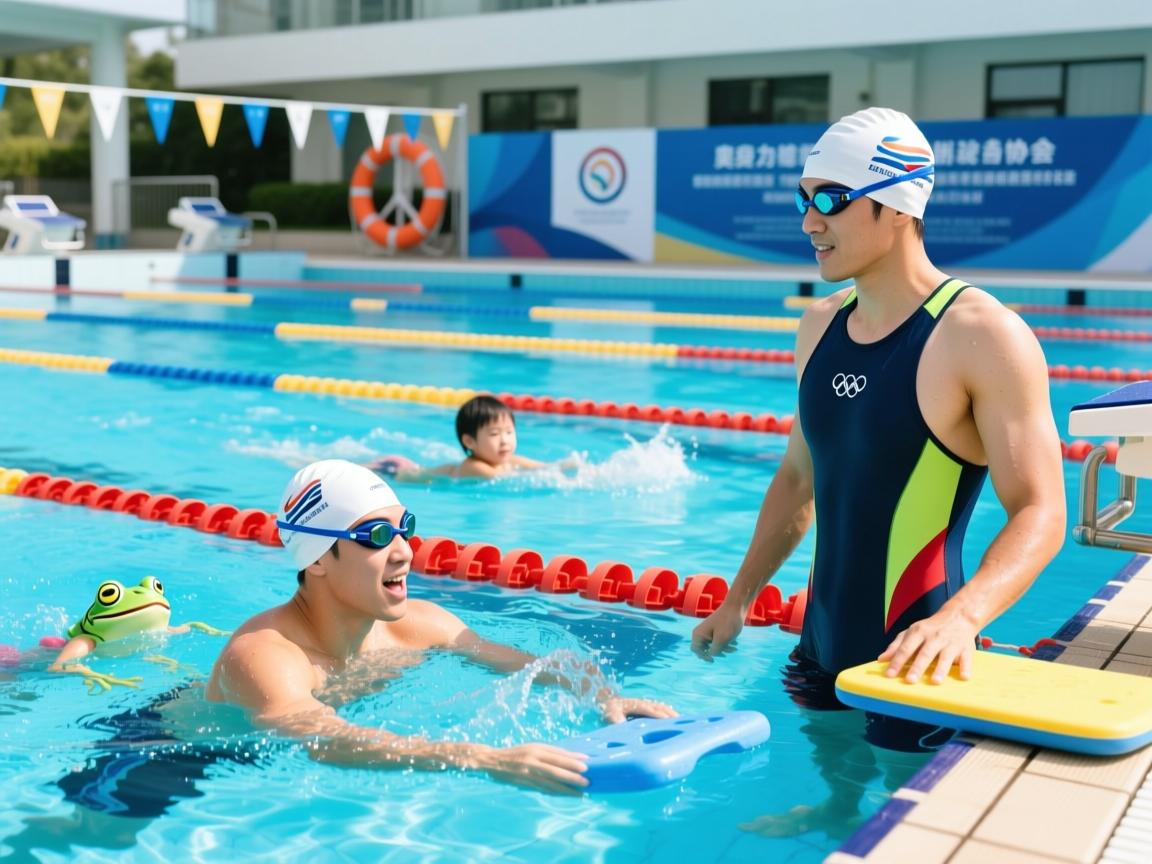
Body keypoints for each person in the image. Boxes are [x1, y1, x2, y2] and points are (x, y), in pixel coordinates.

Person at [689, 107, 1066, 831]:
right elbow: (800, 476)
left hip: (917, 657)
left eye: (829, 199)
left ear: (897, 207)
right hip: (821, 639)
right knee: (836, 772)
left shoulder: (981, 336)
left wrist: (961, 620)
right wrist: (739, 597)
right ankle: (835, 812)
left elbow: (1040, 509)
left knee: (916, 822)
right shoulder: (820, 324)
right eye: (803, 199)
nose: (808, 221)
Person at [206, 458, 674, 794]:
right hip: (193, 759)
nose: (406, 551)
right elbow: (322, 739)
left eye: (404, 527)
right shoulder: (265, 656)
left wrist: (604, 695)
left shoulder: (417, 625)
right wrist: (484, 759)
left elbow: (538, 665)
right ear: (320, 558)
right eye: (377, 536)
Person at [368, 394, 574, 481]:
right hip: (396, 471)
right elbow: (507, 480)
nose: (504, 440)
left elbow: (544, 467)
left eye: (509, 432)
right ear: (469, 442)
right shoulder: (473, 466)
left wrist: (567, 466)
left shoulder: (509, 460)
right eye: (494, 433)